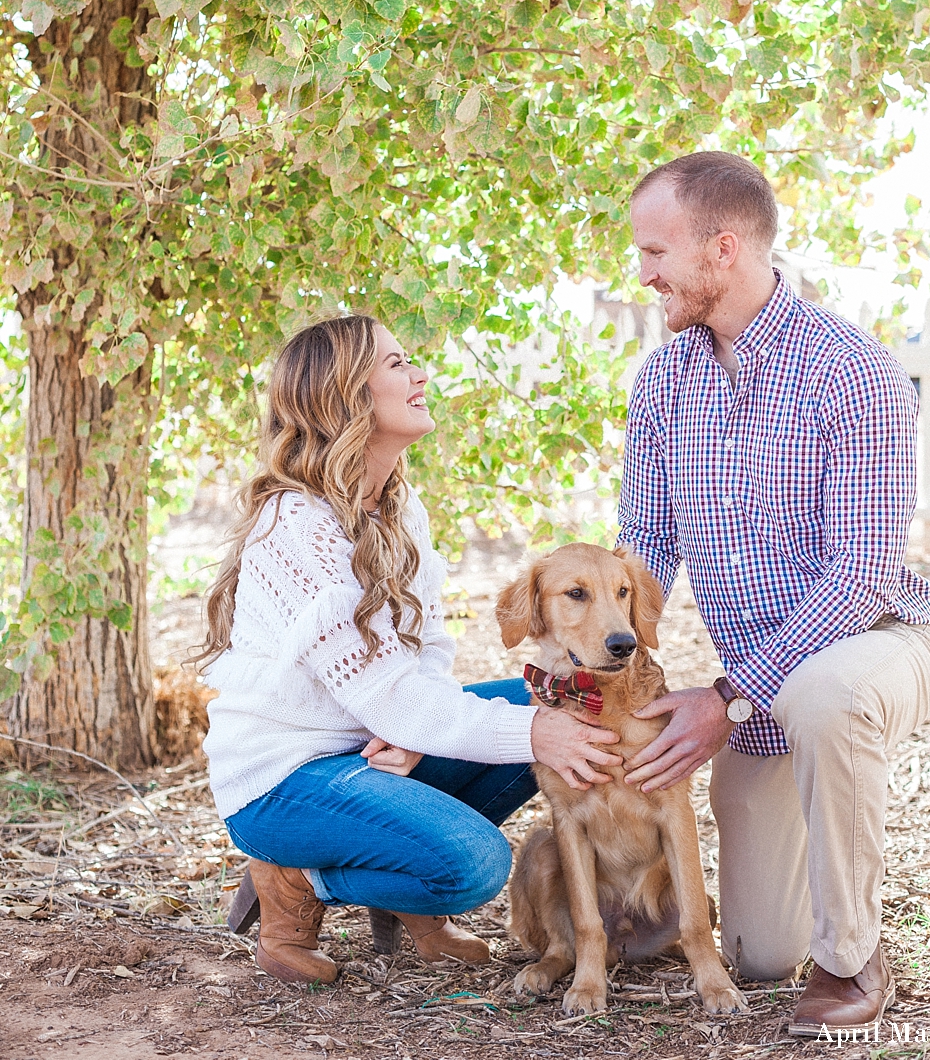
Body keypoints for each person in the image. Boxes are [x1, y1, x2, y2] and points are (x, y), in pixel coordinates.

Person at [616, 152, 930, 1037]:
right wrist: (595, 659)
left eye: (655, 252)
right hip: (758, 686)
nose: (643, 273)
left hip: (879, 643)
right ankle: (799, 903)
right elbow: (644, 549)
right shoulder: (662, 381)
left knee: (827, 695)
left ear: (722, 248)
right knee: (762, 953)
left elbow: (861, 573)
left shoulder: (851, 370)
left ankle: (852, 959)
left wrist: (725, 697)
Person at [196, 315, 621, 985]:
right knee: (471, 864)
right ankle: (292, 883)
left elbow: (425, 650)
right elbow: (386, 694)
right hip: (285, 780)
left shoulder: (398, 505)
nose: (420, 376)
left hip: (367, 746)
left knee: (543, 699)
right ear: (345, 395)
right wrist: (432, 722)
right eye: (396, 365)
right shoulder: (295, 527)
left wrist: (418, 734)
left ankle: (404, 896)